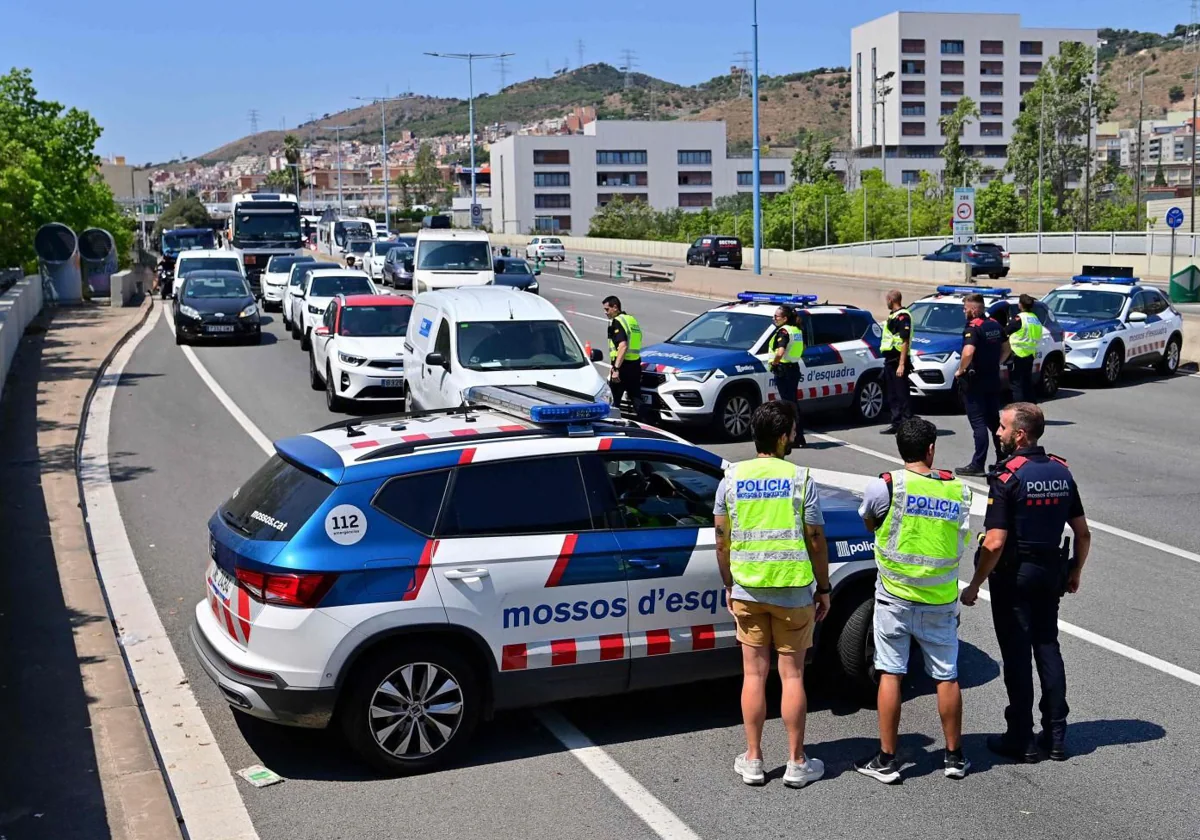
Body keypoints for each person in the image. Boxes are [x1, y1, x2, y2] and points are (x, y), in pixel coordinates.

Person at [961, 402, 1091, 763]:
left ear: (1020, 434)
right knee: (1048, 646)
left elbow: (995, 541)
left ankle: (1021, 737)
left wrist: (974, 585)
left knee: (1017, 656)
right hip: (1052, 572)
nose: (997, 433)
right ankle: (1056, 734)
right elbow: (1083, 533)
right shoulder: (1062, 473)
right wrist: (1075, 571)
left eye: (1002, 428)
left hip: (1014, 577)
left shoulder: (1007, 477)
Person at [714, 400, 830, 788]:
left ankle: (753, 759)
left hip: (748, 587)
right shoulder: (801, 478)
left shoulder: (730, 478)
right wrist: (824, 587)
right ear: (783, 437)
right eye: (793, 431)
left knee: (753, 674)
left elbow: (721, 539)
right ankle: (797, 763)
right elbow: (815, 538)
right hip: (793, 590)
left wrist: (729, 584)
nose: (795, 436)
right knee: (792, 675)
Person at [855, 417, 974, 784]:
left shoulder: (887, 485)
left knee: (891, 673)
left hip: (894, 597)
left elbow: (870, 523)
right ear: (931, 449)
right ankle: (954, 757)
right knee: (946, 676)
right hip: (939, 599)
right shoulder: (958, 489)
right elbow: (962, 536)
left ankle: (887, 760)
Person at [955, 293, 1009, 477]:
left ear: (974, 309)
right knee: (994, 422)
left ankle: (978, 464)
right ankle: (1003, 459)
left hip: (975, 381)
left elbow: (968, 352)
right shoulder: (994, 324)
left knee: (978, 424)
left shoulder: (973, 327)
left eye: (965, 309)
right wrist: (998, 363)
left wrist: (961, 370)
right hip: (993, 379)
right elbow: (1007, 347)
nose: (964, 312)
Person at [768, 305, 807, 448]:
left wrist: (774, 363)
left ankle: (794, 438)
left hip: (784, 369)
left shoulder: (784, 331)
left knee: (788, 406)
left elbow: (780, 352)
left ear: (784, 318)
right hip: (794, 368)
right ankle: (799, 437)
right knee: (793, 403)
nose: (774, 318)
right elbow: (803, 348)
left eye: (776, 316)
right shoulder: (797, 330)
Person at [879, 290, 914, 434]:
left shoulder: (903, 317)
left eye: (887, 300)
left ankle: (907, 425)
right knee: (892, 394)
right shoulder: (893, 316)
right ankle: (896, 423)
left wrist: (901, 364)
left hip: (898, 359)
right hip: (890, 360)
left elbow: (904, 341)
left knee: (902, 394)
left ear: (890, 300)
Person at [602, 295, 644, 417]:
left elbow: (623, 346)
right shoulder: (631, 320)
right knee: (637, 399)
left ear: (615, 307)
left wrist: (616, 369)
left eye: (607, 309)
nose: (605, 312)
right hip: (635, 365)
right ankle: (649, 425)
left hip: (622, 366)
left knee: (614, 402)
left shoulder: (617, 322)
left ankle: (612, 427)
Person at [1006, 294, 1043, 404]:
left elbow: (1005, 331)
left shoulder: (1019, 319)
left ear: (1020, 305)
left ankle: (1020, 412)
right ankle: (1032, 410)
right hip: (1030, 355)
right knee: (1027, 384)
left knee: (1016, 385)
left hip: (1017, 355)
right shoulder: (1035, 319)